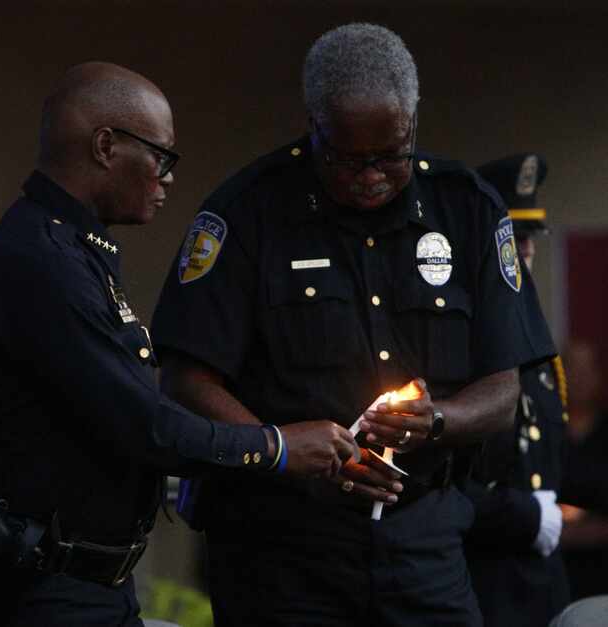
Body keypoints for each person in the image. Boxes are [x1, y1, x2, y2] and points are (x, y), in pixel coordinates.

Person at [150, 23, 555, 626]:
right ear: (313, 123)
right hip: (281, 547)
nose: (370, 176)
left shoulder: (467, 207)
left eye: (390, 155)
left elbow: (503, 390)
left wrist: (437, 421)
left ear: (413, 124)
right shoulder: (247, 211)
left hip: (423, 541)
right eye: (345, 159)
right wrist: (284, 450)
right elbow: (186, 378)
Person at [0, 61, 357, 627]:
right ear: (105, 146)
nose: (168, 177)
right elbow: (147, 426)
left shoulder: (78, 250)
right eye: (161, 156)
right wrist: (275, 447)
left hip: (92, 584)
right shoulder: (42, 263)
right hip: (36, 589)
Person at [463, 153, 570, 626]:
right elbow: (439, 481)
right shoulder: (466, 338)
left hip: (542, 583)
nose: (526, 249)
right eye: (514, 237)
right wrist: (525, 515)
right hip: (483, 584)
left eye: (531, 238)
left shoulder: (539, 347)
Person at [560, 340, 608, 600]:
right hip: (552, 571)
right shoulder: (541, 435)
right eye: (570, 369)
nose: (578, 379)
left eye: (586, 370)